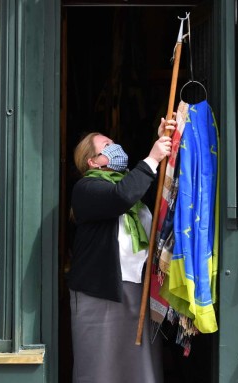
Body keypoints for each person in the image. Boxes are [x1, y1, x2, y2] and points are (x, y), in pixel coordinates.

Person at [68, 116, 175, 383]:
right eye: (107, 145)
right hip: (101, 293)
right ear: (92, 161)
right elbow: (120, 197)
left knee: (140, 367)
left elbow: (147, 187)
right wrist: (151, 158)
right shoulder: (86, 188)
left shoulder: (133, 185)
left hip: (138, 289)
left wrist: (161, 138)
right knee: (100, 366)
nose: (115, 147)